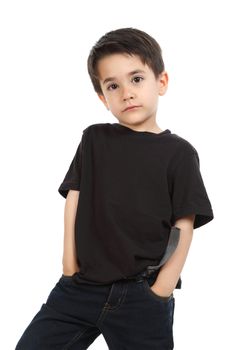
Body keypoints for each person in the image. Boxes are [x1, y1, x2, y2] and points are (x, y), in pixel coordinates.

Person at [15, 27, 214, 350]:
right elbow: (74, 198)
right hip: (80, 287)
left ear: (161, 82)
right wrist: (69, 266)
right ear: (102, 97)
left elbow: (184, 225)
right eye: (113, 85)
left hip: (142, 294)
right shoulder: (94, 140)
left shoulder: (179, 152)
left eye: (136, 79)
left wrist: (160, 290)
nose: (127, 93)